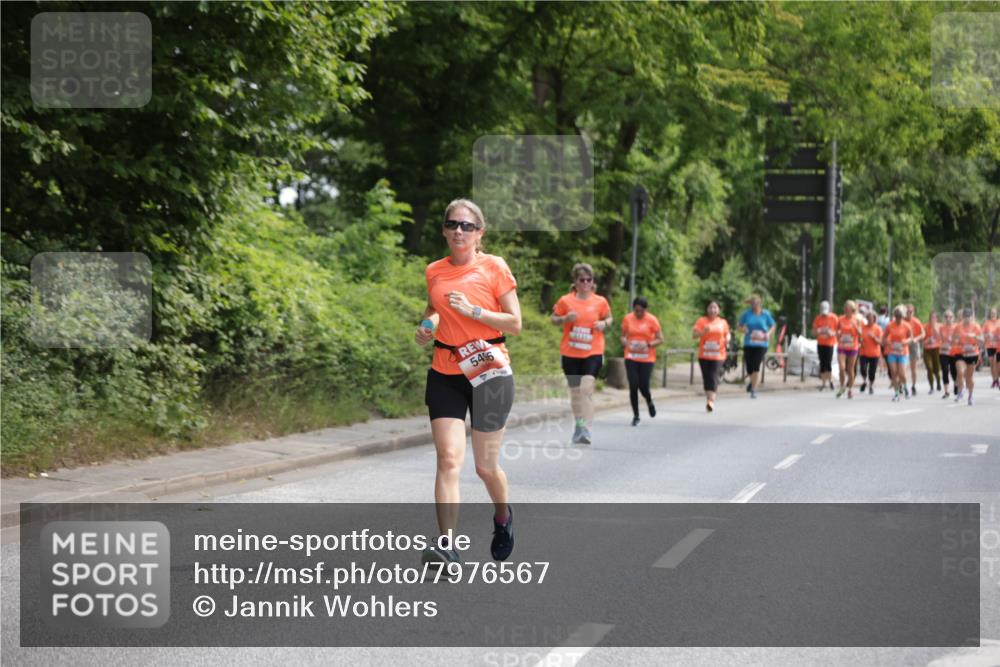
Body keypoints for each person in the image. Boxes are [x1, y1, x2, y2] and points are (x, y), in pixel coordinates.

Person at [416, 199, 521, 566]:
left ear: (480, 233)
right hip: (446, 371)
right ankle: (447, 545)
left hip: (489, 373)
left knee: (485, 467)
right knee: (447, 460)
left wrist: (473, 311)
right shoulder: (434, 271)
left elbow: (515, 323)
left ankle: (503, 517)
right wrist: (428, 324)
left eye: (467, 226)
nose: (459, 231)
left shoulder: (494, 267)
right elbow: (434, 308)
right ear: (444, 230)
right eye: (452, 224)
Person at [552, 263, 612, 445]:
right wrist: (564, 319)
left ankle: (585, 428)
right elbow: (553, 319)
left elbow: (609, 318)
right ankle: (579, 425)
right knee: (575, 393)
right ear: (576, 282)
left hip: (593, 351)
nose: (586, 283)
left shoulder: (600, 301)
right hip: (570, 353)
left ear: (593, 282)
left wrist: (604, 324)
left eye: (589, 280)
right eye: (582, 280)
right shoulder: (566, 301)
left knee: (586, 389)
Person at [621, 297, 662, 426]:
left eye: (641, 311)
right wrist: (624, 342)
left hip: (647, 358)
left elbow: (660, 339)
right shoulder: (628, 318)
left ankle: (649, 401)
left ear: (646, 310)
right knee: (633, 386)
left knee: (643, 386)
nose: (638, 313)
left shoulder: (652, 320)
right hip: (631, 356)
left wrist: (649, 344)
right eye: (636, 311)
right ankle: (636, 415)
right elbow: (622, 335)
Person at [693, 301, 731, 412]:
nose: (712, 310)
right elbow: (694, 335)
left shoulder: (723, 322)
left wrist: (728, 339)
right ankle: (708, 399)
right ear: (707, 309)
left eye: (715, 307)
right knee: (706, 377)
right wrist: (702, 332)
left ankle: (711, 401)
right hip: (704, 355)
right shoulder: (701, 321)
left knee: (714, 376)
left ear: (718, 310)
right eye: (710, 307)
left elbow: (727, 333)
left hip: (718, 355)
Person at [737, 295, 775, 399]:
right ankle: (752, 381)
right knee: (749, 367)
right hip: (749, 343)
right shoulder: (747, 314)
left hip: (761, 344)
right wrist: (743, 330)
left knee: (756, 365)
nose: (755, 305)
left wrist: (768, 333)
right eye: (753, 304)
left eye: (756, 303)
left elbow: (773, 325)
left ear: (760, 303)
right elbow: (739, 325)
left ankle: (753, 389)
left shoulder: (765, 314)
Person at [953, 308, 984, 406]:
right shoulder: (958, 326)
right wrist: (956, 338)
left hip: (972, 353)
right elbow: (953, 338)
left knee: (969, 377)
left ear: (972, 317)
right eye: (965, 316)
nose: (966, 318)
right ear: (963, 317)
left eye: (968, 316)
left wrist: (975, 336)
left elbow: (982, 341)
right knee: (960, 372)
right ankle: (961, 391)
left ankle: (970, 396)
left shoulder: (976, 327)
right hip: (961, 352)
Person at [884, 306, 913, 402]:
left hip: (903, 352)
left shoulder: (906, 326)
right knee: (893, 372)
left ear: (903, 316)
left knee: (902, 373)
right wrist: (887, 342)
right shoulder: (890, 325)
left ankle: (905, 387)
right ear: (894, 316)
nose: (898, 318)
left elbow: (911, 338)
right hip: (892, 351)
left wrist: (906, 341)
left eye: (900, 316)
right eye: (896, 316)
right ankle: (896, 393)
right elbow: (883, 338)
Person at [835, 300, 863, 399]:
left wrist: (856, 328)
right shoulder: (840, 319)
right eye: (845, 308)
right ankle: (842, 387)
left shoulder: (857, 320)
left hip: (853, 346)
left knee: (850, 369)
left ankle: (850, 389)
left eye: (848, 308)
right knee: (842, 368)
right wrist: (837, 333)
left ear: (852, 310)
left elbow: (860, 334)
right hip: (842, 346)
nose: (846, 310)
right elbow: (837, 330)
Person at [812, 300, 838, 391]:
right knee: (822, 363)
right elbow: (814, 332)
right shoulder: (818, 318)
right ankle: (823, 383)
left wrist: (832, 333)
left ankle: (830, 381)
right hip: (820, 343)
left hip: (830, 343)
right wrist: (818, 331)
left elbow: (839, 331)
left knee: (828, 362)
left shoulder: (834, 318)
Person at [859, 309, 883, 395]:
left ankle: (871, 386)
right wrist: (860, 341)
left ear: (874, 319)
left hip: (874, 353)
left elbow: (881, 342)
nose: (869, 319)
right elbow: (859, 339)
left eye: (871, 318)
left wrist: (874, 337)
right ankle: (864, 381)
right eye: (868, 318)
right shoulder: (863, 328)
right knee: (863, 369)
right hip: (864, 352)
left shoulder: (878, 328)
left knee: (872, 372)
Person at [904, 304, 925, 397]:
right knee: (903, 367)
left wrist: (916, 339)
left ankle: (913, 386)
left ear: (913, 312)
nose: (909, 314)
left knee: (913, 367)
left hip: (913, 344)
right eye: (907, 312)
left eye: (910, 312)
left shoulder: (916, 321)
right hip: (904, 344)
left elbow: (923, 333)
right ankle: (902, 385)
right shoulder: (902, 321)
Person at [922, 311, 943, 394]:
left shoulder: (940, 326)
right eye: (931, 317)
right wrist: (927, 340)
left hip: (937, 349)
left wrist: (934, 328)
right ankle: (931, 387)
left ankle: (938, 381)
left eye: (934, 317)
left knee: (936, 369)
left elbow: (940, 337)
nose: (932, 319)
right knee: (929, 368)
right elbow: (921, 339)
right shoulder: (925, 326)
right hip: (927, 350)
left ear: (937, 318)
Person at [939, 309, 958, 399]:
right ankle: (946, 392)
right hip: (943, 352)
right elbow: (938, 340)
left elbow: (960, 339)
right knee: (945, 370)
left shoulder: (956, 327)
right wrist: (942, 343)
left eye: (950, 317)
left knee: (954, 371)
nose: (948, 318)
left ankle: (956, 384)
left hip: (954, 352)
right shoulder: (941, 328)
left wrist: (953, 342)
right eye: (946, 316)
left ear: (953, 318)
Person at [984, 307, 999, 389]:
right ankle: (994, 380)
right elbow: (983, 334)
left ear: (997, 314)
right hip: (989, 345)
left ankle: (997, 379)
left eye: (994, 313)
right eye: (992, 313)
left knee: (997, 362)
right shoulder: (987, 323)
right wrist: (987, 335)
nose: (993, 314)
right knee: (992, 363)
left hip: (998, 346)